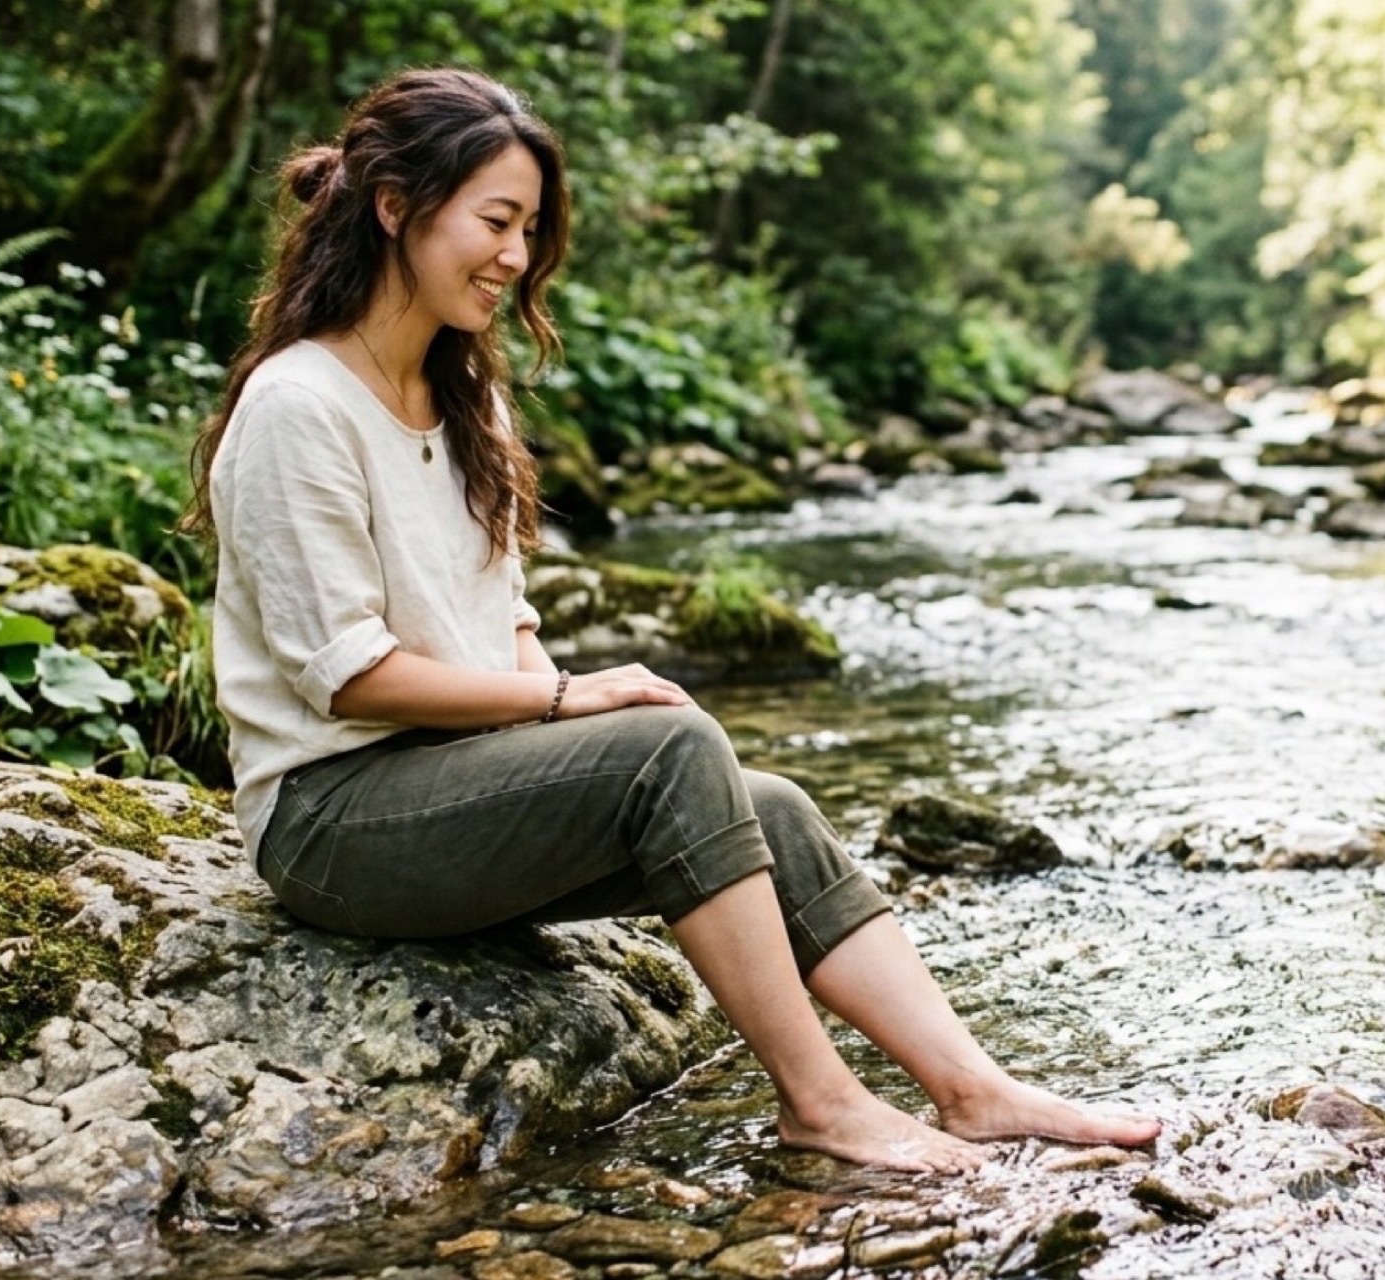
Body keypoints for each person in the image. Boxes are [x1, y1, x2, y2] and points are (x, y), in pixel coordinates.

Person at [182, 68, 1159, 1173]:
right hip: (335, 822)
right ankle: (821, 1101)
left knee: (770, 808)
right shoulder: (299, 404)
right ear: (395, 205)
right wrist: (570, 702)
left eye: (530, 229)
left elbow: (503, 622)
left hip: (452, 788)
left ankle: (972, 1089)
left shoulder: (466, 399)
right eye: (495, 221)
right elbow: (347, 676)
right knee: (668, 745)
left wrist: (553, 729)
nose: (514, 256)